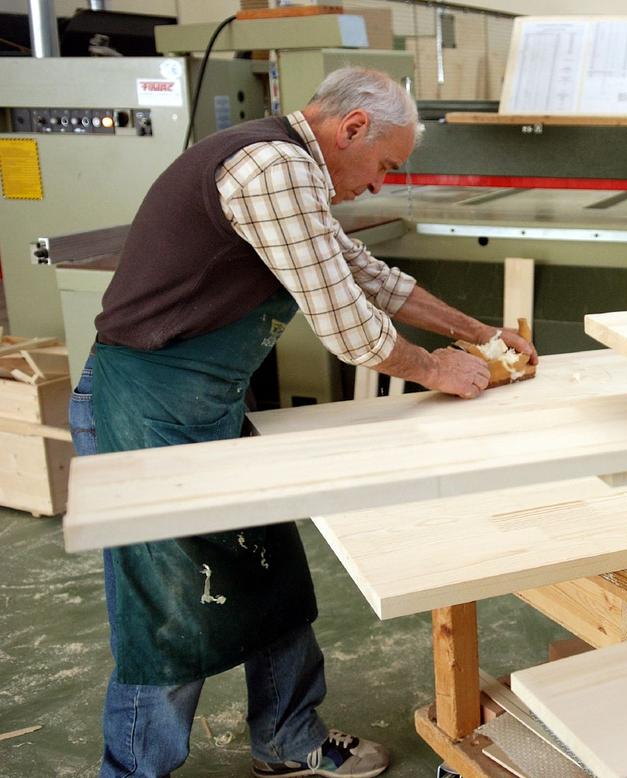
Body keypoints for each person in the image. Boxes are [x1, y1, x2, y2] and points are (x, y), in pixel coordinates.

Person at [68, 66, 536, 778]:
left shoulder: (297, 176)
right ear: (352, 128)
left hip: (208, 405)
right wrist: (434, 368)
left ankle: (287, 738)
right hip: (143, 407)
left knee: (272, 576)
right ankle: (132, 772)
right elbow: (348, 325)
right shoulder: (271, 168)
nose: (378, 185)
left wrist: (480, 333)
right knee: (168, 611)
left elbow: (367, 276)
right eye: (385, 165)